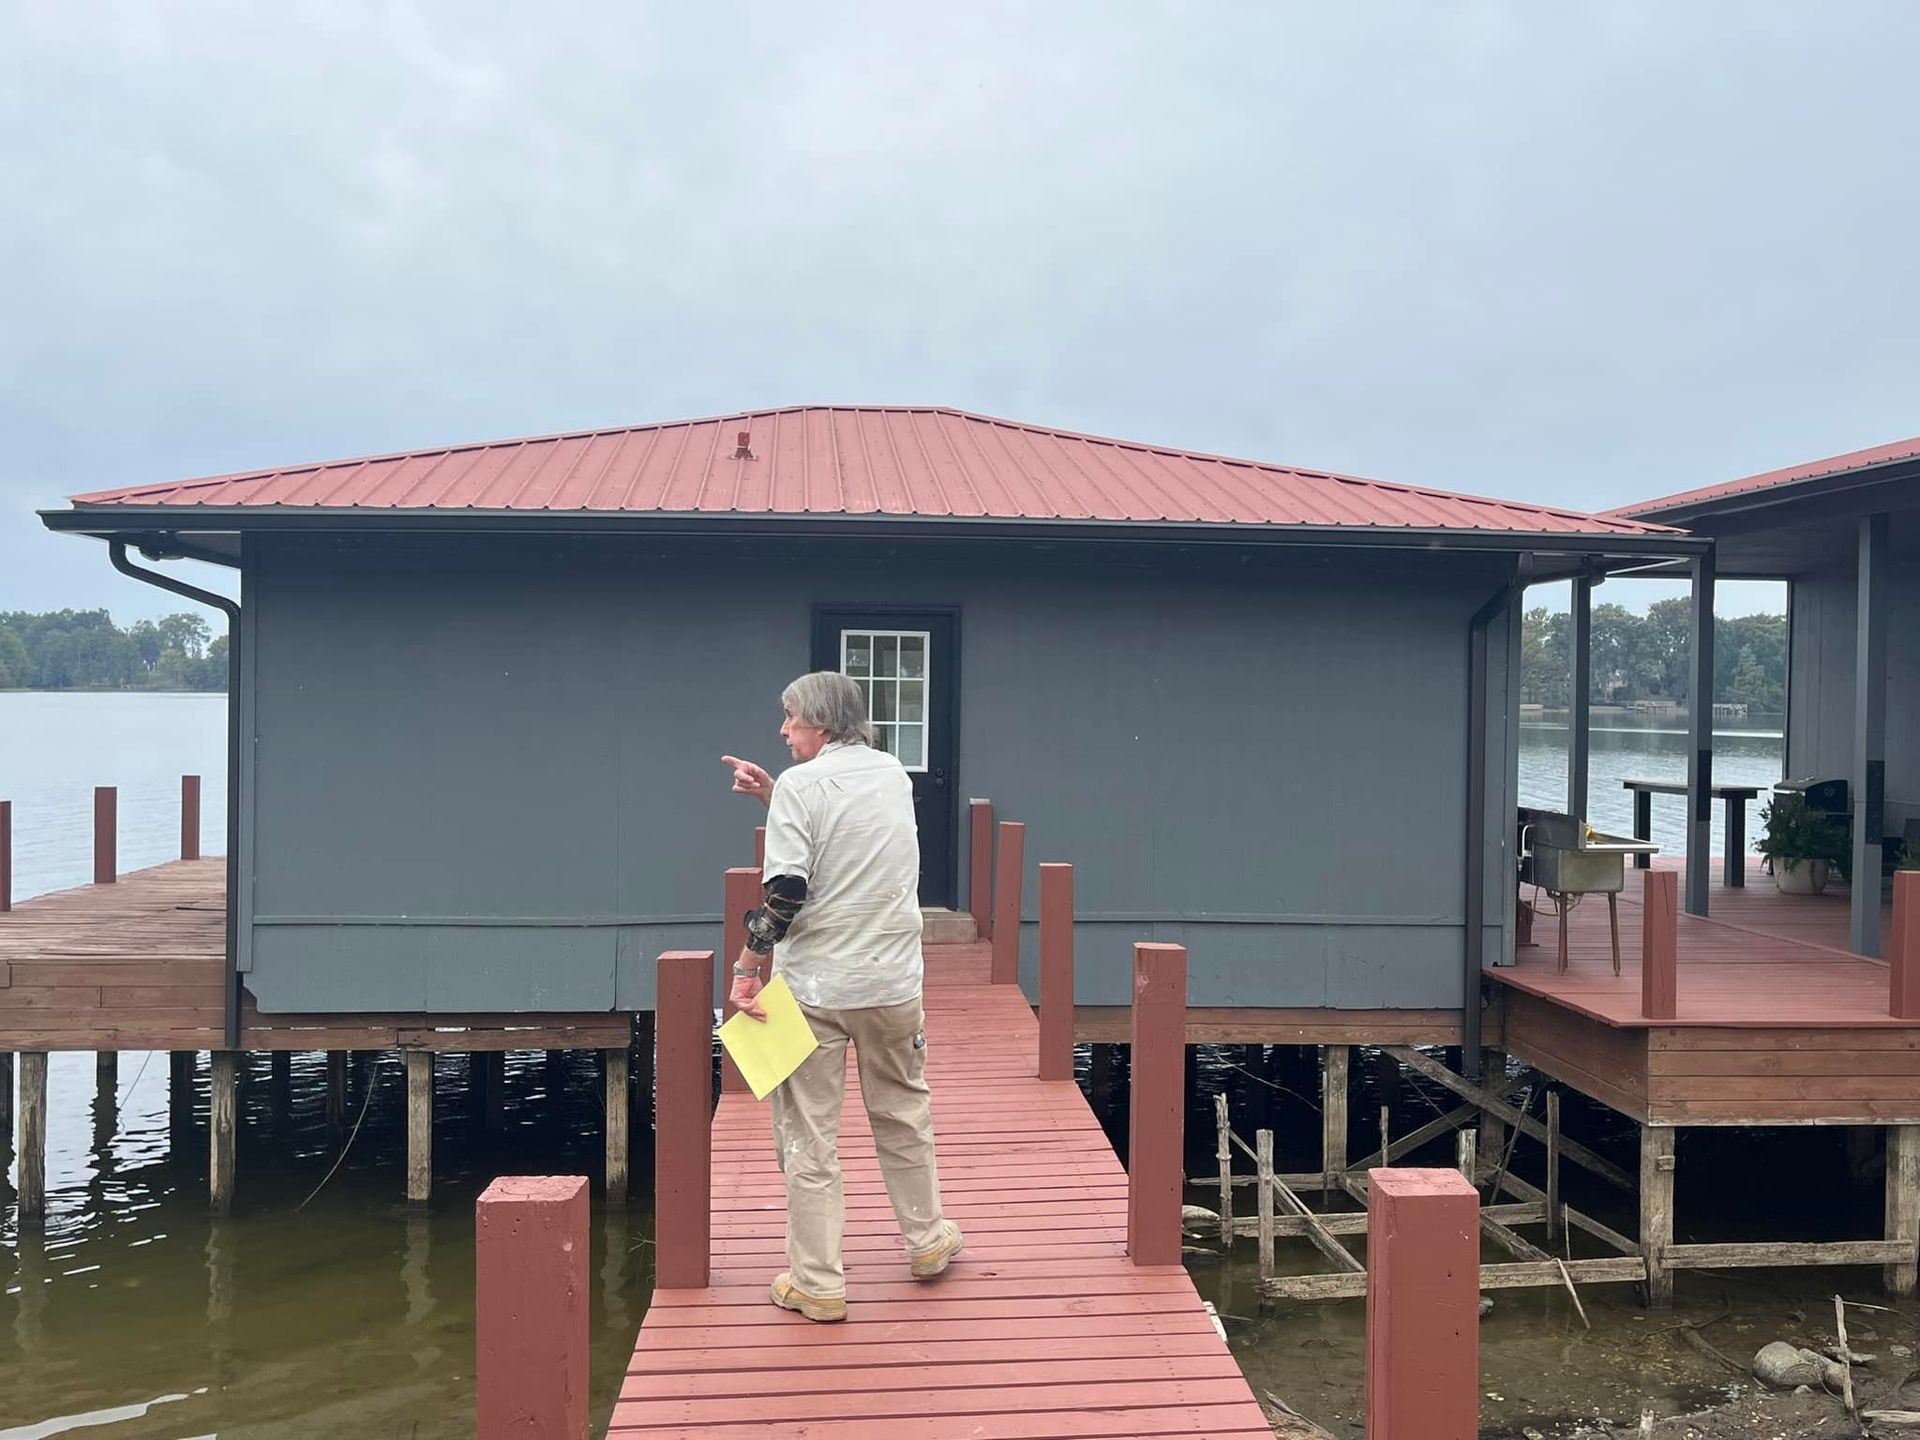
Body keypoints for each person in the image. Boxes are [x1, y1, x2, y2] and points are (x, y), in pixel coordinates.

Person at [722, 671, 962, 1323]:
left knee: (809, 1135)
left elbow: (787, 893)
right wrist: (776, 794)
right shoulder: (892, 774)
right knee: (903, 1110)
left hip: (817, 989)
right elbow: (847, 832)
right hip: (892, 983)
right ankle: (928, 1240)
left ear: (821, 725)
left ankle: (818, 1282)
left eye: (791, 718)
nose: (782, 730)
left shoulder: (802, 786)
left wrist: (747, 968)